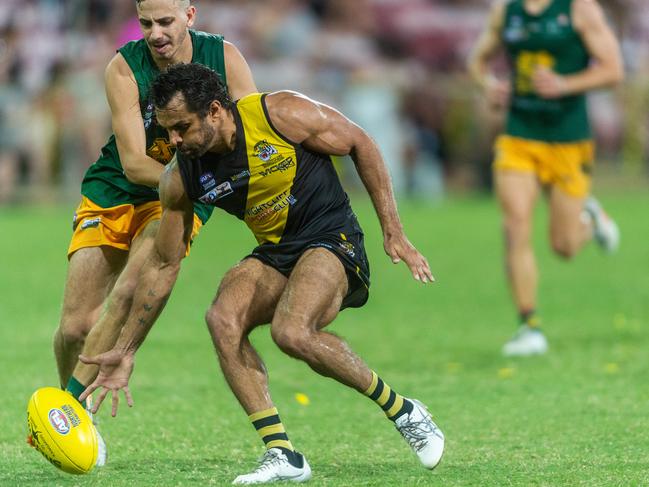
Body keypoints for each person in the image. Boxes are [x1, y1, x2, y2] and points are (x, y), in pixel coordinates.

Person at [77, 62, 445, 484]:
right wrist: (126, 350)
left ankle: (404, 411)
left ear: (215, 110)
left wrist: (392, 231)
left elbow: (361, 142)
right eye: (167, 131)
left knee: (292, 332)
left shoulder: (279, 114)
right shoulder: (180, 177)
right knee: (222, 318)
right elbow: (164, 264)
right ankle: (282, 453)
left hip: (332, 236)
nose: (174, 141)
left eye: (182, 127)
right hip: (277, 251)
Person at [47, 0, 257, 465]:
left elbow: (251, 130)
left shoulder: (225, 58)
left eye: (166, 21)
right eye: (146, 23)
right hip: (117, 189)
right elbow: (136, 162)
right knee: (74, 327)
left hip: (183, 195)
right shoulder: (123, 68)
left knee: (130, 288)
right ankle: (74, 408)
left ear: (190, 15)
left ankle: (73, 417)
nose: (156, 33)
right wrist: (197, 171)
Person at [467, 0, 623, 356]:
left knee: (564, 247)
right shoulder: (506, 11)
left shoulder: (580, 9)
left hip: (569, 142)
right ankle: (529, 326)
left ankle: (590, 217)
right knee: (515, 225)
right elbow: (476, 61)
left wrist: (566, 84)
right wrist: (488, 85)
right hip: (519, 136)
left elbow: (614, 70)